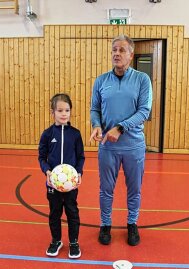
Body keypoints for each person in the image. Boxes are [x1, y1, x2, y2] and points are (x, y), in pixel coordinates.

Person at [90, 34, 153, 246]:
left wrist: (120, 127)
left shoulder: (142, 80)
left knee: (134, 188)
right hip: (107, 147)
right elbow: (95, 109)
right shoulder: (101, 81)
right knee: (106, 189)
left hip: (133, 146)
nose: (116, 54)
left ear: (131, 54)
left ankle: (132, 224)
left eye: (122, 50)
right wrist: (97, 125)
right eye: (114, 50)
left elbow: (144, 111)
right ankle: (105, 224)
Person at [38, 93, 85, 258]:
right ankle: (56, 240)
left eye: (67, 110)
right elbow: (41, 157)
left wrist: (79, 173)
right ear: (53, 113)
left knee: (72, 212)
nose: (64, 113)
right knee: (54, 213)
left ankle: (73, 242)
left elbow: (80, 157)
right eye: (59, 110)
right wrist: (47, 171)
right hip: (53, 185)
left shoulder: (76, 134)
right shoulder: (47, 134)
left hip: (71, 184)